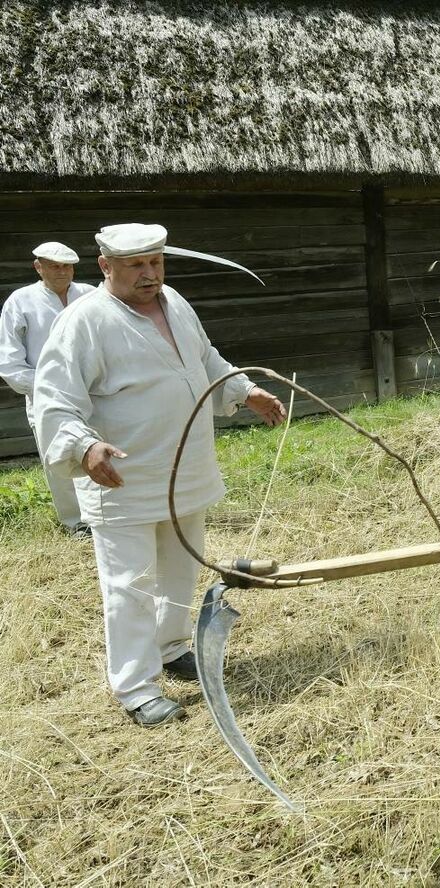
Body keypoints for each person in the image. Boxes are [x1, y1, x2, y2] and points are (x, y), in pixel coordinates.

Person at [33, 223, 287, 727]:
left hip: (185, 467)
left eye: (156, 262)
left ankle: (171, 647)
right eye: (135, 265)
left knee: (179, 568)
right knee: (129, 582)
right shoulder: (84, 321)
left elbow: (205, 359)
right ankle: (135, 686)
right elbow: (55, 399)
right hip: (123, 476)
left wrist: (243, 391)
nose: (150, 274)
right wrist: (84, 447)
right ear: (106, 267)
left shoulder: (176, 302)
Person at [0, 242, 96, 535]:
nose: (61, 271)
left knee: (99, 448)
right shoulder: (21, 301)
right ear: (38, 267)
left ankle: (103, 513)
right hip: (46, 395)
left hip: (92, 389)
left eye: (66, 265)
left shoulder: (90, 295)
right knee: (59, 455)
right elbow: (9, 359)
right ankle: (76, 521)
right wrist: (42, 388)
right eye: (53, 265)